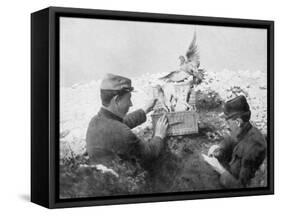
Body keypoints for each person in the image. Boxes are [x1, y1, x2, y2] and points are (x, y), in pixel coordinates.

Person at [86, 73, 168, 167]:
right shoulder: (121, 132)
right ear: (116, 100)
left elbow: (121, 123)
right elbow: (149, 154)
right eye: (128, 99)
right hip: (119, 179)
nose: (131, 104)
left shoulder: (95, 121)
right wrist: (159, 136)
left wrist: (144, 110)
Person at [207, 95, 266, 188]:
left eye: (228, 122)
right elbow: (231, 140)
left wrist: (219, 169)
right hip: (233, 171)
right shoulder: (244, 130)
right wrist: (219, 149)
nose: (226, 126)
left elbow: (241, 186)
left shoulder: (254, 147)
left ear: (238, 122)